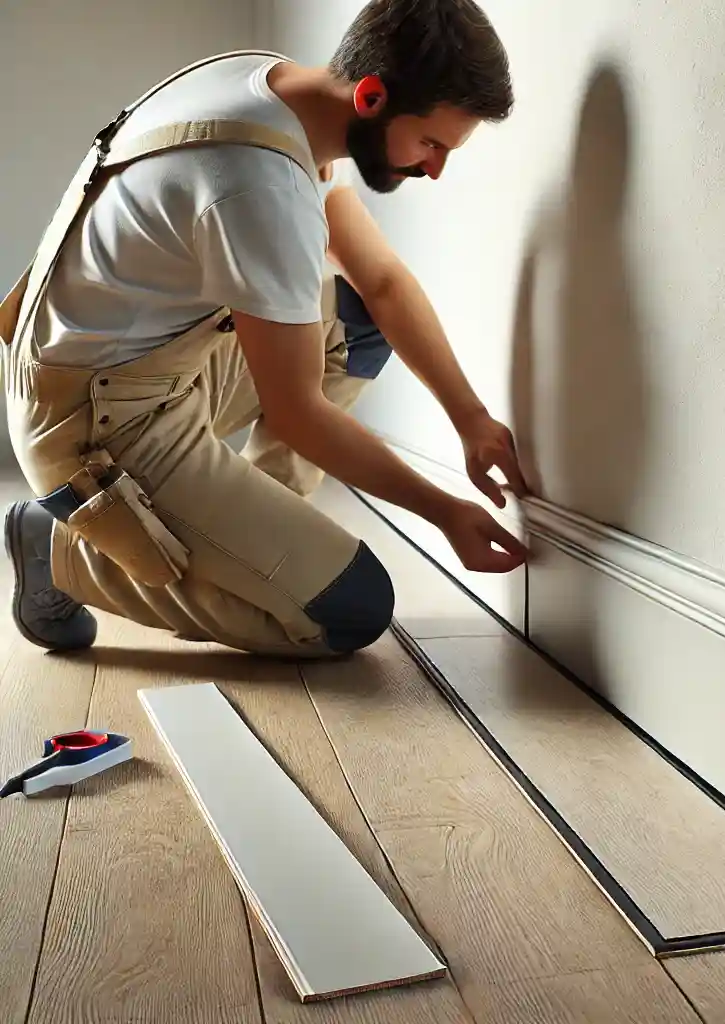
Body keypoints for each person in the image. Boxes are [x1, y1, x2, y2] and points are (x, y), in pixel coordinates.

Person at [0, 0, 529, 659]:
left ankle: (253, 534)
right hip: (92, 425)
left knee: (358, 323)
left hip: (153, 364)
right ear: (370, 96)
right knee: (351, 610)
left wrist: (471, 418)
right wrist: (446, 511)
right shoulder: (260, 185)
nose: (435, 167)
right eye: (432, 143)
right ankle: (58, 551)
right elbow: (300, 414)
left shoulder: (270, 88)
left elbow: (384, 284)